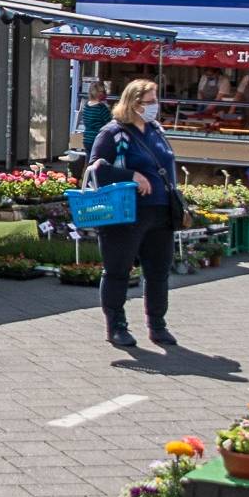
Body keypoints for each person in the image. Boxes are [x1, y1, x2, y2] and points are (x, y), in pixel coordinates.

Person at [88, 79, 180, 348]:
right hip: (126, 213)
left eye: (155, 101)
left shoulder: (156, 129)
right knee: (118, 270)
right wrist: (131, 174)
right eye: (149, 102)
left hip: (161, 211)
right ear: (134, 103)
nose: (154, 106)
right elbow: (95, 169)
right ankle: (116, 325)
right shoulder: (113, 132)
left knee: (158, 271)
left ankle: (157, 324)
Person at [76, 81, 113, 152]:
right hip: (99, 139)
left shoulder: (86, 106)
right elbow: (109, 123)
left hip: (87, 139)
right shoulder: (101, 107)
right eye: (102, 91)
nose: (103, 93)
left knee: (89, 160)